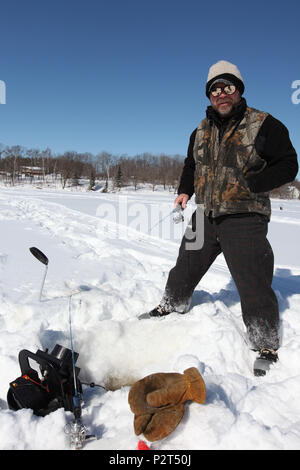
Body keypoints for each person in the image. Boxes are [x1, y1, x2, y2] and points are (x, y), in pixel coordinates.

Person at [140, 60, 298, 376]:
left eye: (228, 86)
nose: (221, 93)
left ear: (238, 90)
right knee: (186, 263)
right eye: (215, 88)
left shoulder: (264, 124)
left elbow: (288, 164)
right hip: (207, 214)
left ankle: (265, 342)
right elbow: (190, 165)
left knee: (251, 278)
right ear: (209, 95)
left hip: (244, 215)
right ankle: (172, 303)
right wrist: (185, 191)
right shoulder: (200, 130)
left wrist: (254, 184)